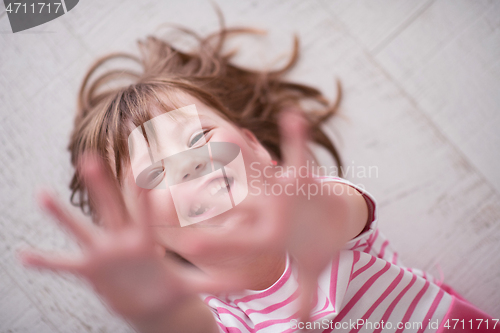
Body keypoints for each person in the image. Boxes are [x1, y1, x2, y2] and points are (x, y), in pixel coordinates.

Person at [19, 22, 497, 333]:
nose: (193, 164)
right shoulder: (219, 318)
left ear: (258, 150)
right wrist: (155, 313)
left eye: (200, 138)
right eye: (158, 172)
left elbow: (338, 211)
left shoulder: (321, 212)